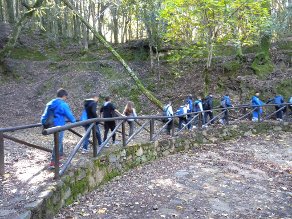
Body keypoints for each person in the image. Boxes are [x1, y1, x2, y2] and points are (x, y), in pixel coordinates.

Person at [41, 88, 76, 168]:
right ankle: (54, 162)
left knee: (58, 141)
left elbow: (45, 115)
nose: (65, 99)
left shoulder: (50, 103)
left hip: (49, 125)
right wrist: (74, 121)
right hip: (58, 126)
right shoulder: (63, 104)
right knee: (58, 142)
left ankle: (59, 155)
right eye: (66, 97)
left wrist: (44, 123)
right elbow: (69, 116)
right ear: (64, 96)